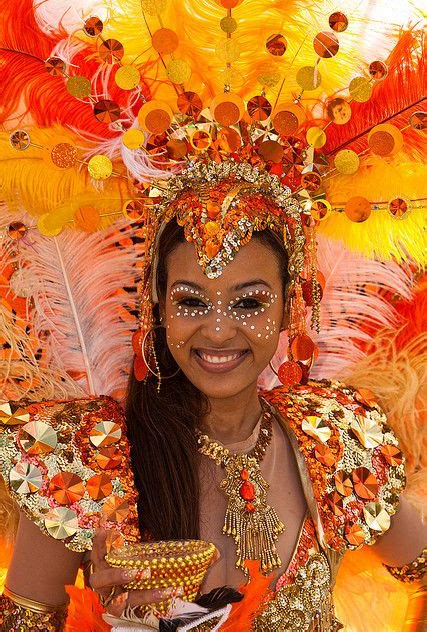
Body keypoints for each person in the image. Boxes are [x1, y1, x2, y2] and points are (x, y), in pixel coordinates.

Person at [0, 161, 425, 631]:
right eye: (191, 301)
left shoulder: (334, 439)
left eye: (249, 302)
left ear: (291, 305)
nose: (219, 330)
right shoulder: (84, 460)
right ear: (158, 306)